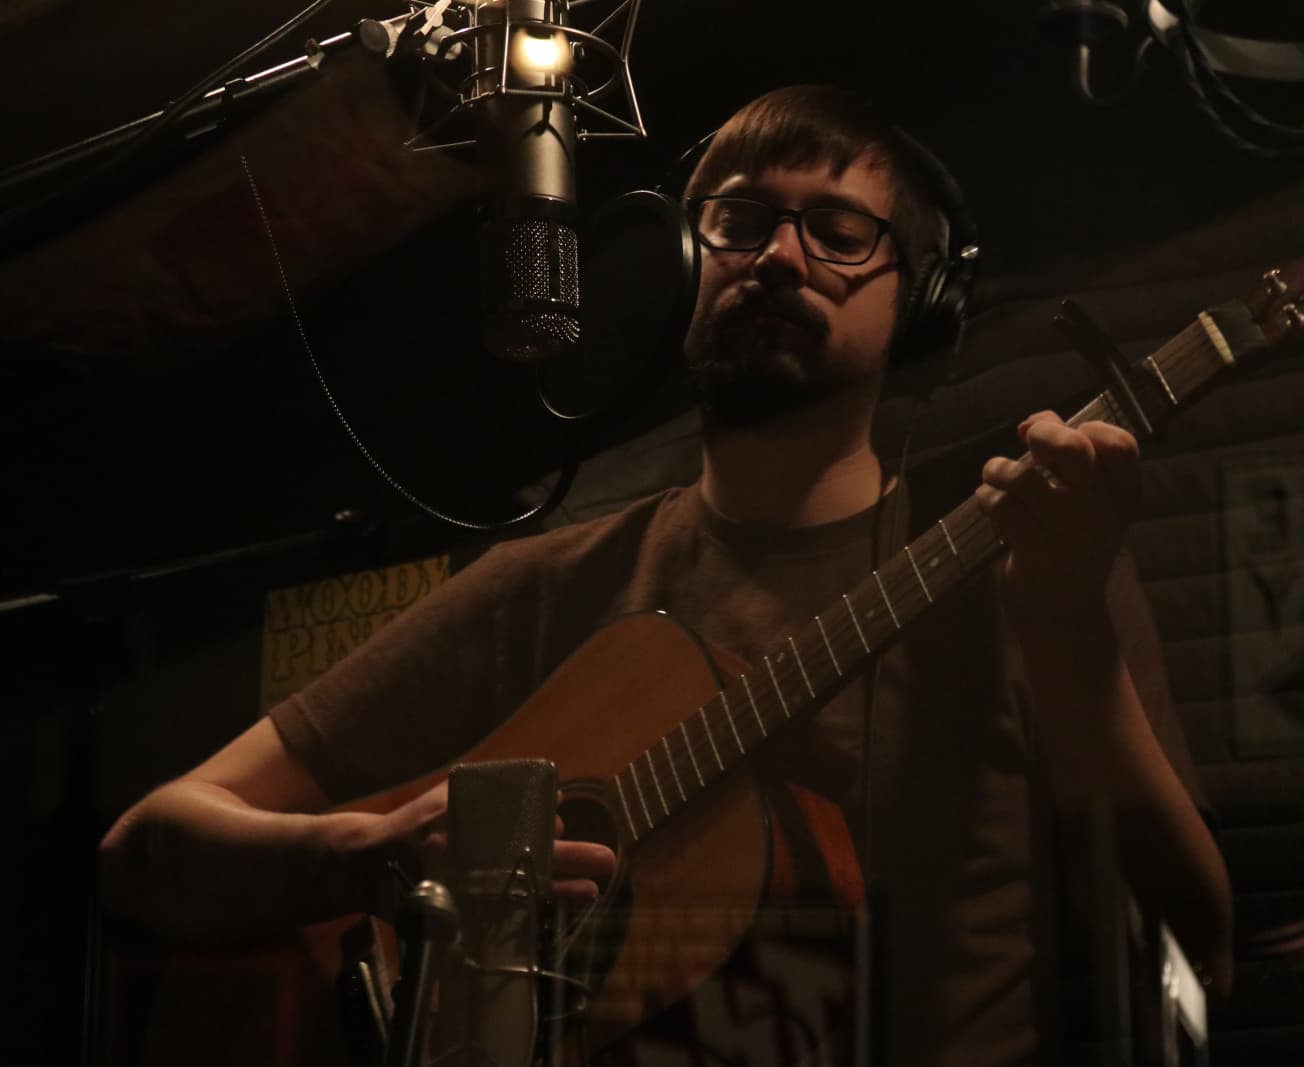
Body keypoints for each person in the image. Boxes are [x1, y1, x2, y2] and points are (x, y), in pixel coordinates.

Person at [99, 84, 1231, 1064]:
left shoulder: (1031, 555)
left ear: (920, 301)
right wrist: (370, 855)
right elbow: (149, 847)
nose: (779, 257)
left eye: (838, 230)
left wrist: (1067, 623)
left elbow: (1195, 946)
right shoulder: (548, 586)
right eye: (738, 222)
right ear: (685, 261)